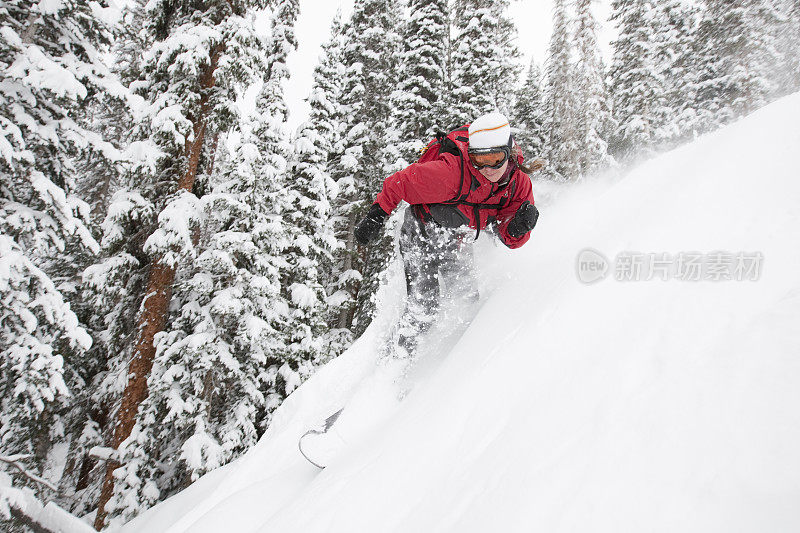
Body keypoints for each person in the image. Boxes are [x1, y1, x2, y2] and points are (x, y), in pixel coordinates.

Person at [353, 111, 540, 357]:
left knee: (466, 299)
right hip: (421, 231)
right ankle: (395, 364)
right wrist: (375, 217)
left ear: (510, 153)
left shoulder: (518, 185)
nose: (487, 168)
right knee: (425, 306)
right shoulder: (451, 173)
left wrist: (517, 228)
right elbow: (399, 183)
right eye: (479, 160)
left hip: (457, 237)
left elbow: (507, 237)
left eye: (495, 158)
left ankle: (448, 363)